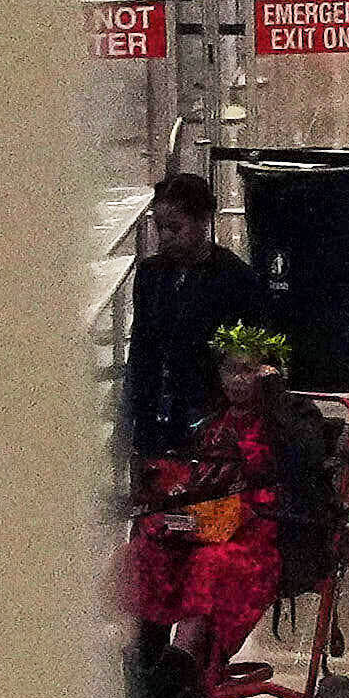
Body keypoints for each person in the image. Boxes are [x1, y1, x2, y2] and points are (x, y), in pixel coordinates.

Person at [117, 166, 260, 479]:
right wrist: (126, 424)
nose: (165, 237)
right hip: (154, 416)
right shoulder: (151, 274)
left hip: (209, 417)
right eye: (159, 227)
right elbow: (141, 350)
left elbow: (249, 358)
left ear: (202, 221)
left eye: (175, 228)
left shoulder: (234, 277)